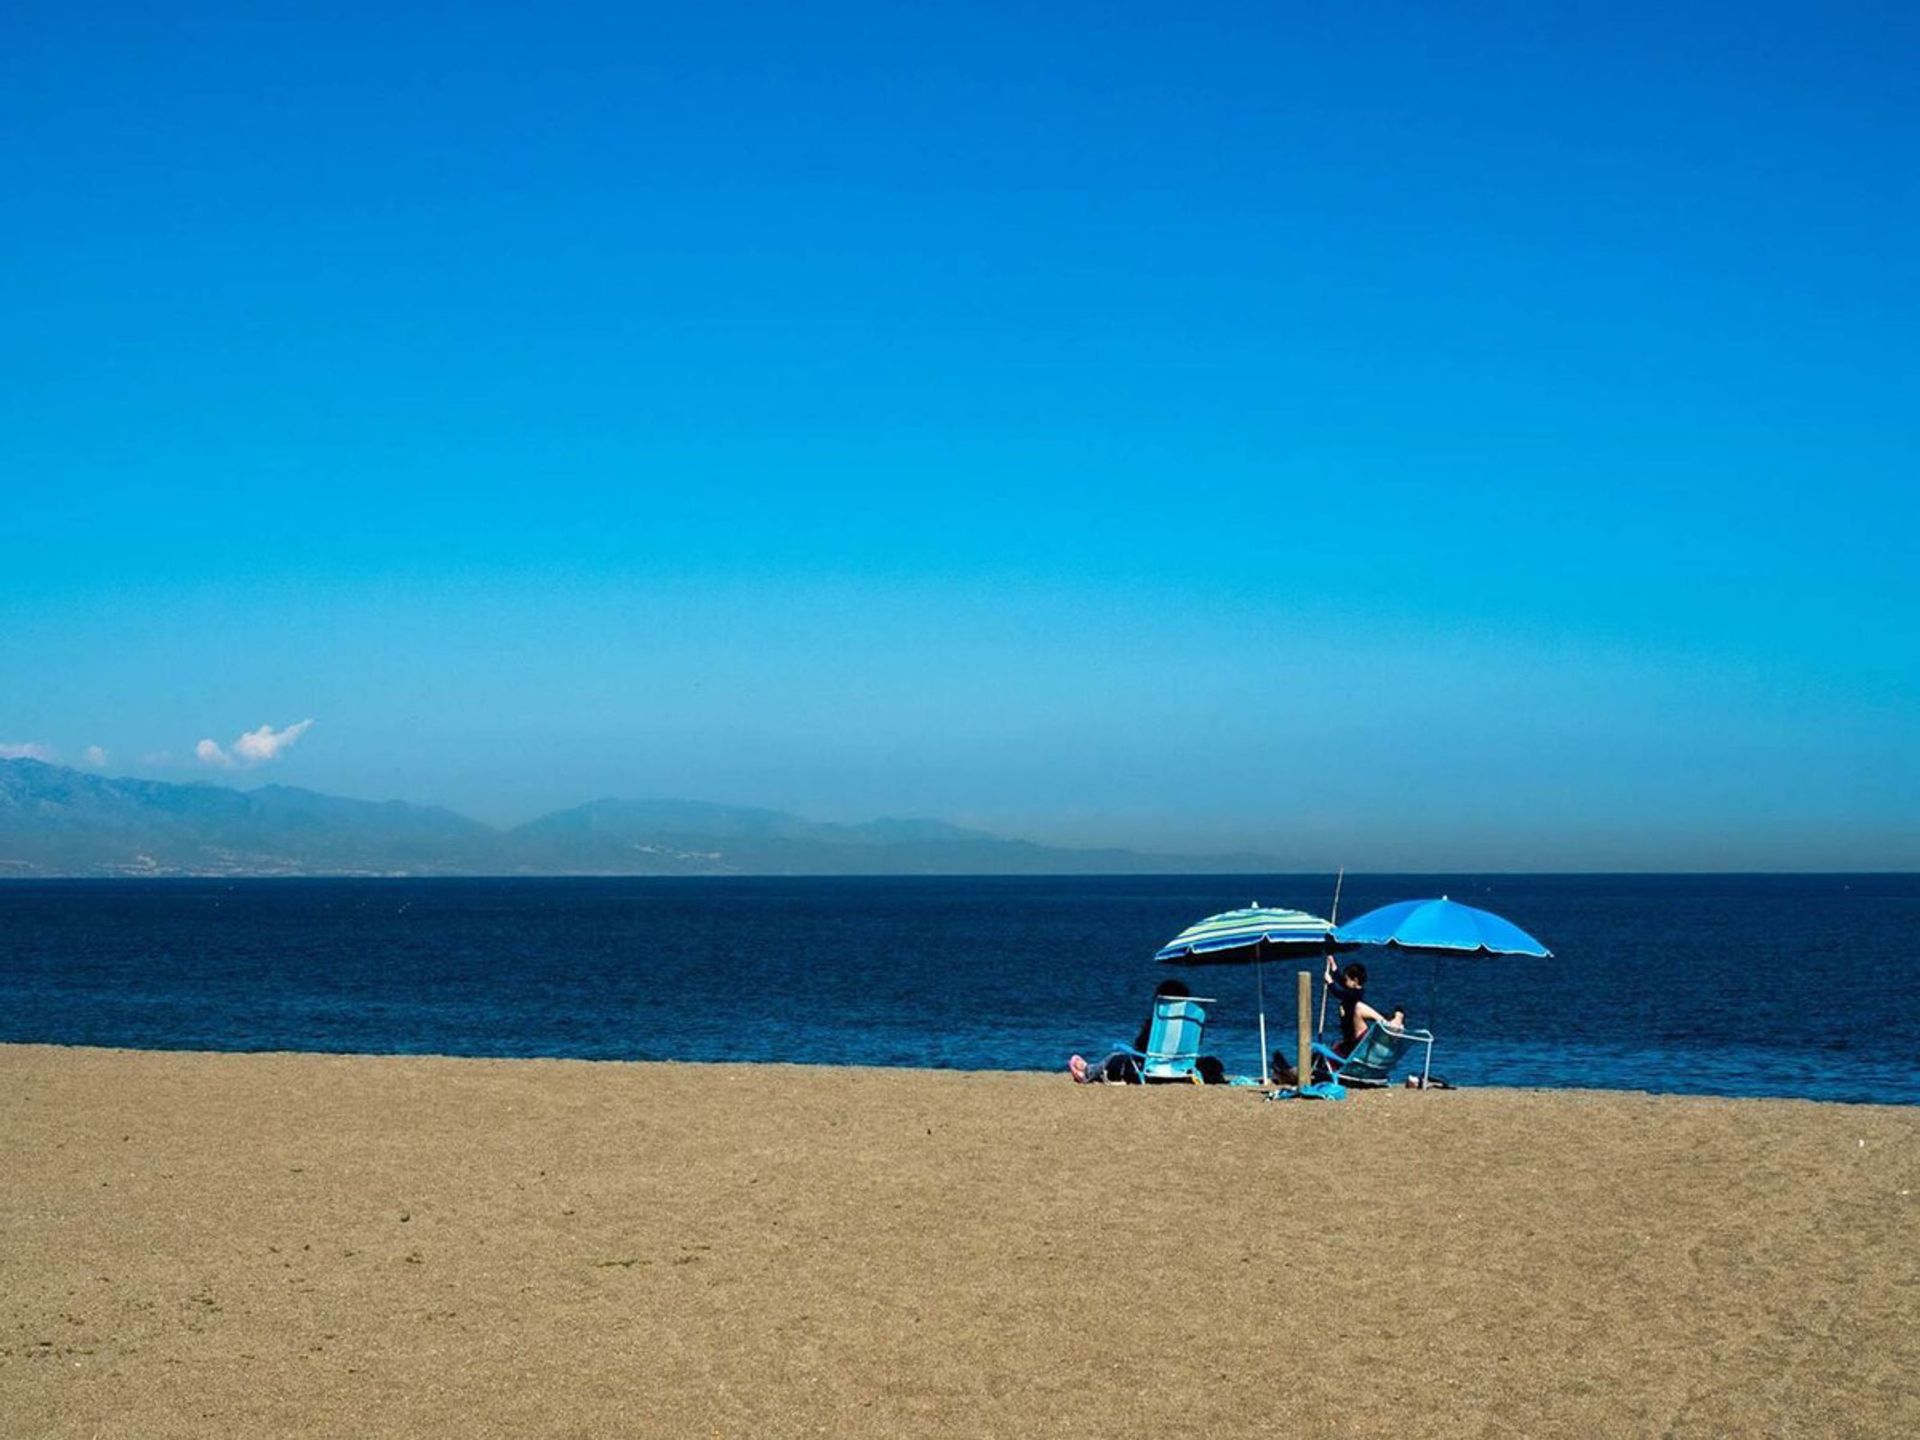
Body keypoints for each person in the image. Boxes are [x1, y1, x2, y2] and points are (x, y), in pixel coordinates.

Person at [1070, 978, 1225, 1083]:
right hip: (1182, 1070)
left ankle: (1087, 1072)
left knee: (1114, 1057)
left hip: (1153, 1070)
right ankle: (1088, 1070)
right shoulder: (1193, 1023)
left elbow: (1141, 1048)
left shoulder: (1158, 1024)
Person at [1322, 956, 1407, 1058]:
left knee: (1359, 1007)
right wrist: (1333, 966)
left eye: (1347, 979)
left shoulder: (1355, 994)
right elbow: (1341, 981)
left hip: (1356, 1038)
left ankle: (1388, 1023)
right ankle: (1390, 1020)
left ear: (1355, 981)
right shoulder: (1353, 989)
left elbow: (1338, 993)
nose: (1345, 981)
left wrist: (1330, 982)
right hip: (1351, 1038)